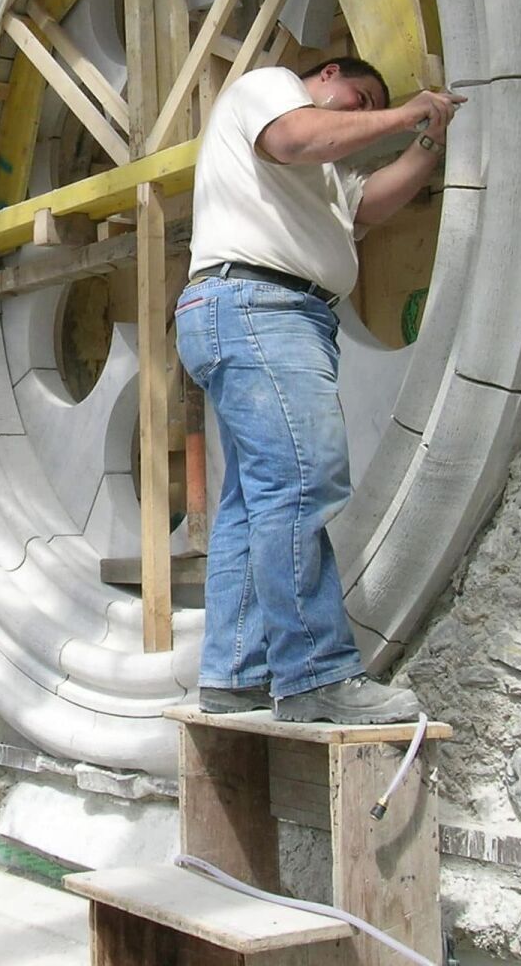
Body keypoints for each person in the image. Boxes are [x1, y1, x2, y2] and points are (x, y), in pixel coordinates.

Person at [174, 57, 463, 724]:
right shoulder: (270, 87)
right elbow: (295, 136)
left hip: (257, 311)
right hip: (260, 306)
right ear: (326, 75)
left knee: (255, 501)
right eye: (360, 97)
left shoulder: (321, 182)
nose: (364, 114)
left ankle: (235, 673)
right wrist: (405, 112)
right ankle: (315, 675)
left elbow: (372, 204)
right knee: (303, 481)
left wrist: (428, 138)